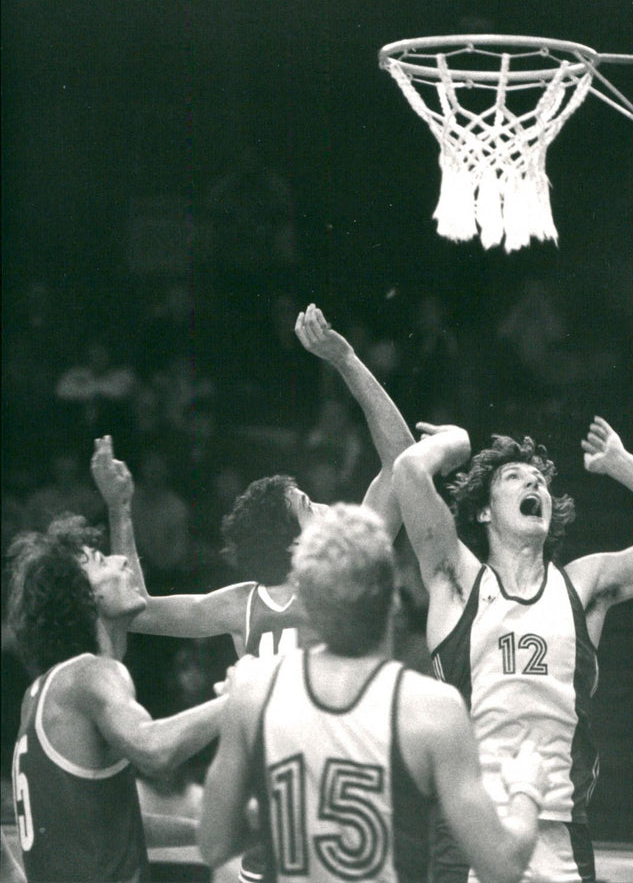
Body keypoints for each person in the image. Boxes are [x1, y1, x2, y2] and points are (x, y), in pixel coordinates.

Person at [391, 417, 633, 883]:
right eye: (514, 477)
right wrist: (456, 442)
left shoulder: (582, 585)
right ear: (485, 512)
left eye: (541, 481)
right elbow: (409, 470)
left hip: (563, 834)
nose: (534, 482)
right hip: (472, 829)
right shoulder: (459, 579)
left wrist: (623, 465)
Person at [199, 504, 545, 883]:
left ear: (309, 606)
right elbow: (503, 868)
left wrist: (292, 814)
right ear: (394, 599)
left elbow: (214, 844)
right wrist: (527, 788)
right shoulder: (433, 710)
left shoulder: (252, 694)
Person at [92, 304, 410, 659]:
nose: (325, 508)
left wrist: (346, 359)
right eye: (308, 506)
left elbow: (403, 463)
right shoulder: (332, 579)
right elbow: (139, 611)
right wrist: (346, 361)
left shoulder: (250, 602)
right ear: (295, 545)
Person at [5, 514, 229, 883]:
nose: (120, 560)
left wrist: (206, 831)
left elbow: (109, 824)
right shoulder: (92, 675)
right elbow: (154, 751)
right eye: (100, 560)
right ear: (86, 594)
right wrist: (246, 694)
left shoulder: (44, 692)